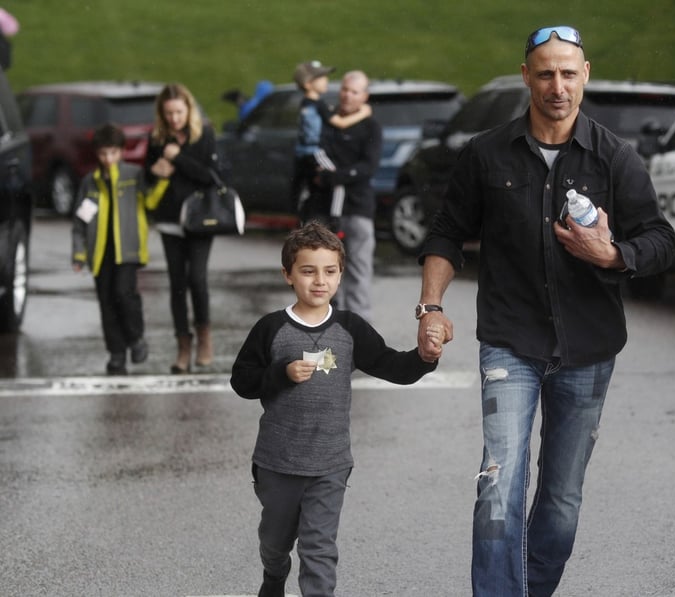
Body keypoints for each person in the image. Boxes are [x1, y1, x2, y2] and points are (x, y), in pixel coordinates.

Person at [414, 25, 675, 596]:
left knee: (559, 500)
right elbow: (445, 234)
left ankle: (528, 589)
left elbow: (659, 239)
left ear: (585, 76)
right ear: (527, 76)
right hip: (511, 342)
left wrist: (612, 253)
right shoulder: (485, 154)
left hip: (588, 349)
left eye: (568, 73)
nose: (557, 86)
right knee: (499, 481)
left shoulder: (614, 158)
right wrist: (430, 306)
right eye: (545, 73)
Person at [230, 220, 442, 597]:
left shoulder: (350, 328)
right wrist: (281, 373)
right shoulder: (271, 328)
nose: (319, 281)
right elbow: (242, 382)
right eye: (307, 271)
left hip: (329, 464)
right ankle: (274, 576)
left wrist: (425, 357)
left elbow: (391, 366)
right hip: (277, 463)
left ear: (341, 275)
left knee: (319, 548)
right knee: (275, 543)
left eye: (329, 271)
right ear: (288, 275)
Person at [71, 124, 168, 375]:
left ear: (121, 152)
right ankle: (116, 353)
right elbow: (80, 222)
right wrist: (79, 254)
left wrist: (162, 181)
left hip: (128, 250)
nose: (108, 159)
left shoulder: (133, 175)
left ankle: (136, 339)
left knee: (124, 294)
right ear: (97, 154)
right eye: (103, 154)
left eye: (113, 153)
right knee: (107, 303)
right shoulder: (89, 183)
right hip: (100, 254)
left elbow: (150, 201)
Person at [144, 82, 220, 374]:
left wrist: (177, 158)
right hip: (169, 219)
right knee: (177, 284)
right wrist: (154, 171)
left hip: (200, 220)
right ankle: (182, 348)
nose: (174, 118)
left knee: (197, 279)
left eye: (178, 111)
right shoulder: (157, 138)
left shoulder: (204, 134)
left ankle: (204, 338)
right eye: (169, 113)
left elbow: (210, 177)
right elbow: (146, 176)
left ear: (189, 108)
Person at [317, 70, 382, 322]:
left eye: (354, 91)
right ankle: (326, 329)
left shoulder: (371, 126)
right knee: (325, 274)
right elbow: (318, 156)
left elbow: (368, 166)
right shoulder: (328, 123)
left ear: (364, 96)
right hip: (326, 207)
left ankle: (360, 334)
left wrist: (340, 174)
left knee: (358, 272)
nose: (347, 95)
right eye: (344, 89)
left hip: (358, 208)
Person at [292, 61, 371, 219]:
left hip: (302, 153)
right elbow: (341, 123)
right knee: (336, 179)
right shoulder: (319, 105)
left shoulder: (304, 103)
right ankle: (336, 217)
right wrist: (363, 113)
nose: (326, 80)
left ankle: (302, 213)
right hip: (315, 151)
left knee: (308, 184)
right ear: (308, 84)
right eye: (321, 77)